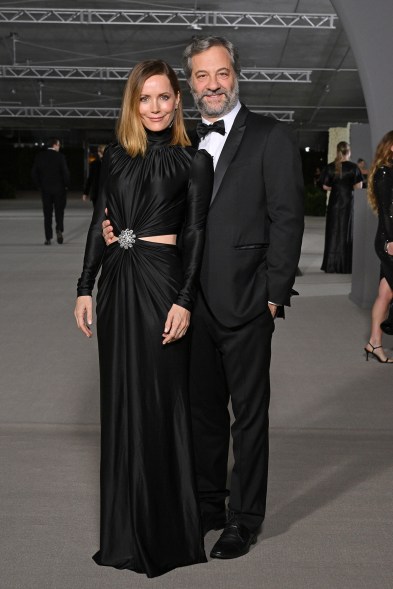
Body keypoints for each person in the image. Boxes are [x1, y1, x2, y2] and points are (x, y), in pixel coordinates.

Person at [103, 36, 304, 560]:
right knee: (203, 415)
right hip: (186, 300)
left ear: (235, 74)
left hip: (246, 300)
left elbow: (288, 218)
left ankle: (245, 517)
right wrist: (117, 231)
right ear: (189, 83)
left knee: (250, 416)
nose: (211, 84)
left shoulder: (270, 136)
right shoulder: (185, 143)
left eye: (220, 73)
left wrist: (273, 295)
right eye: (200, 76)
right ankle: (209, 504)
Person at [74, 60, 214, 577]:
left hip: (162, 286)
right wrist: (86, 286)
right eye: (144, 99)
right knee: (123, 403)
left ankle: (167, 531)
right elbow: (98, 223)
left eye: (163, 97)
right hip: (118, 286)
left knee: (162, 402)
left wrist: (184, 299)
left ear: (178, 100)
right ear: (133, 105)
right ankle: (125, 529)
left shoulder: (194, 161)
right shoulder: (112, 158)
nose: (154, 107)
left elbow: (196, 235)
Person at [364, 131, 393, 363]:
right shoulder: (385, 172)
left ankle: (374, 343)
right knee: (387, 293)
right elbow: (387, 212)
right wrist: (391, 241)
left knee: (385, 293)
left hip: (388, 240)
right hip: (388, 241)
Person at [320, 141, 363, 273]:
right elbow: (359, 187)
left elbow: (325, 186)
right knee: (346, 231)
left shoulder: (330, 167)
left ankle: (331, 265)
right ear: (348, 152)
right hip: (347, 202)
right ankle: (344, 266)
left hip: (334, 202)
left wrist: (337, 186)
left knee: (333, 231)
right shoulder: (353, 167)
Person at [32, 137, 70, 245]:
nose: (59, 147)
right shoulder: (60, 157)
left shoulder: (40, 157)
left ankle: (48, 238)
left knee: (47, 214)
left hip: (45, 190)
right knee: (59, 212)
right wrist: (66, 185)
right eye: (58, 145)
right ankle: (59, 229)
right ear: (55, 145)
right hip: (59, 190)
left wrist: (39, 185)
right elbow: (65, 173)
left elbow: (34, 173)